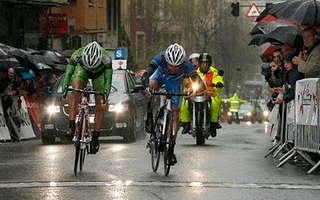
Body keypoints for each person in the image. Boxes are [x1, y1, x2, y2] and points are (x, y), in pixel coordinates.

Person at [142, 43, 205, 165]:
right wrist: (146, 88)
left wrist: (193, 91)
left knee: (175, 113)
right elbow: (145, 75)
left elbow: (200, 84)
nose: (174, 69)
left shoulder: (187, 64)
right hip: (160, 76)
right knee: (151, 85)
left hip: (175, 83)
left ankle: (171, 148)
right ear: (166, 60)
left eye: (177, 67)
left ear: (182, 63)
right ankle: (149, 116)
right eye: (171, 65)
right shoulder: (160, 57)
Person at [62, 41, 112, 154]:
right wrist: (64, 91)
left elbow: (108, 80)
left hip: (99, 74)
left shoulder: (107, 59)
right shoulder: (77, 54)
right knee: (75, 91)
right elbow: (68, 74)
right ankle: (71, 125)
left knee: (100, 103)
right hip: (82, 70)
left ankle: (95, 138)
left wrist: (105, 96)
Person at [181, 53, 224, 137]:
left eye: (207, 63)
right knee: (184, 103)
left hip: (210, 93)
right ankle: (185, 123)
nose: (205, 65)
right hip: (195, 93)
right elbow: (188, 81)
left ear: (209, 64)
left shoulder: (214, 72)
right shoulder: (194, 72)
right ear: (200, 63)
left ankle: (213, 124)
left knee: (215, 103)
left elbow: (218, 79)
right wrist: (187, 89)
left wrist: (218, 84)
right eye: (203, 63)